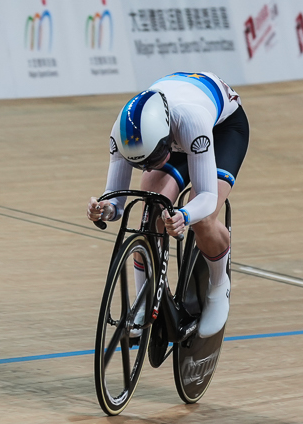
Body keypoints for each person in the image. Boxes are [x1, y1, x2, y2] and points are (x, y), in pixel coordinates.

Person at [88, 73, 249, 338]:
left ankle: (219, 287)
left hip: (221, 130)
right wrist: (104, 207)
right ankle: (145, 296)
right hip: (168, 131)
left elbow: (206, 197)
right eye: (142, 163)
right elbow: (115, 200)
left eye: (153, 160)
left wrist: (185, 215)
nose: (148, 168)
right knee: (149, 212)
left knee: (203, 220)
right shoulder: (123, 131)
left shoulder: (191, 120)